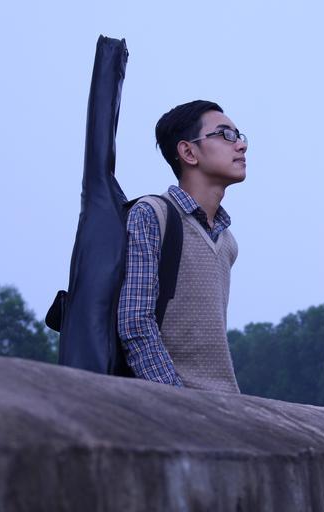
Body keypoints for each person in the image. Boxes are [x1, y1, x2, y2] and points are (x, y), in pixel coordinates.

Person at [117, 100, 247, 393]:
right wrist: (177, 399)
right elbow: (135, 323)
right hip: (172, 406)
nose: (240, 145)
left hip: (226, 404)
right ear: (188, 152)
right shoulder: (152, 214)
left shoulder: (227, 241)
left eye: (239, 136)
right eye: (226, 135)